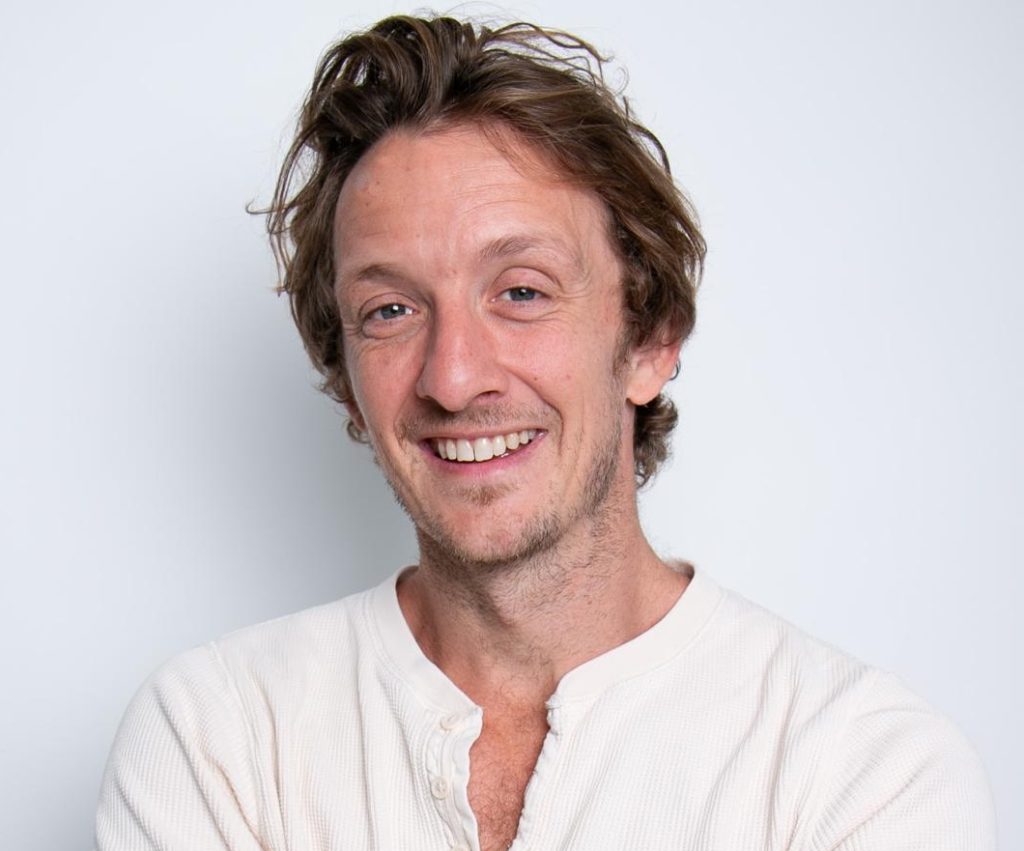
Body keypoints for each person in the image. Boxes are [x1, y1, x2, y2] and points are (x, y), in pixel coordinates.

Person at [95, 14, 995, 851]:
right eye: (392, 309)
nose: (454, 376)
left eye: (520, 291)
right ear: (348, 382)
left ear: (648, 339)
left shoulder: (862, 771)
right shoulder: (217, 741)